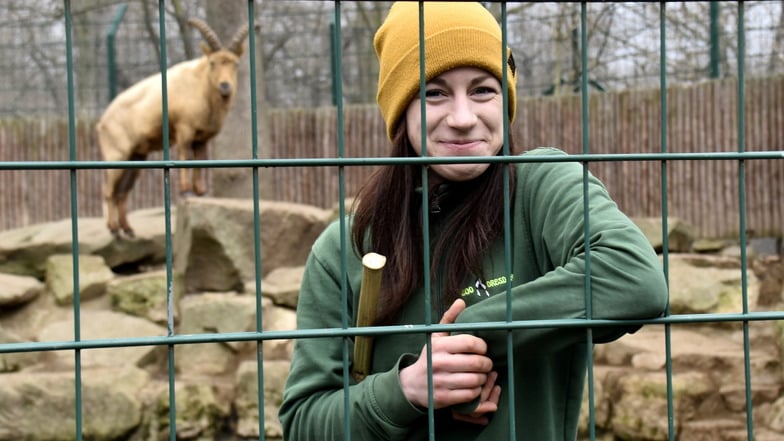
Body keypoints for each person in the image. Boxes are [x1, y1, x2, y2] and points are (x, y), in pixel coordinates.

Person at [279, 2, 668, 440]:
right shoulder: (344, 246)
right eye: (434, 93)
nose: (463, 119)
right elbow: (304, 423)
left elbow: (636, 280)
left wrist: (470, 335)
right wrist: (409, 390)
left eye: (483, 90)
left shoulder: (541, 187)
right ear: (399, 110)